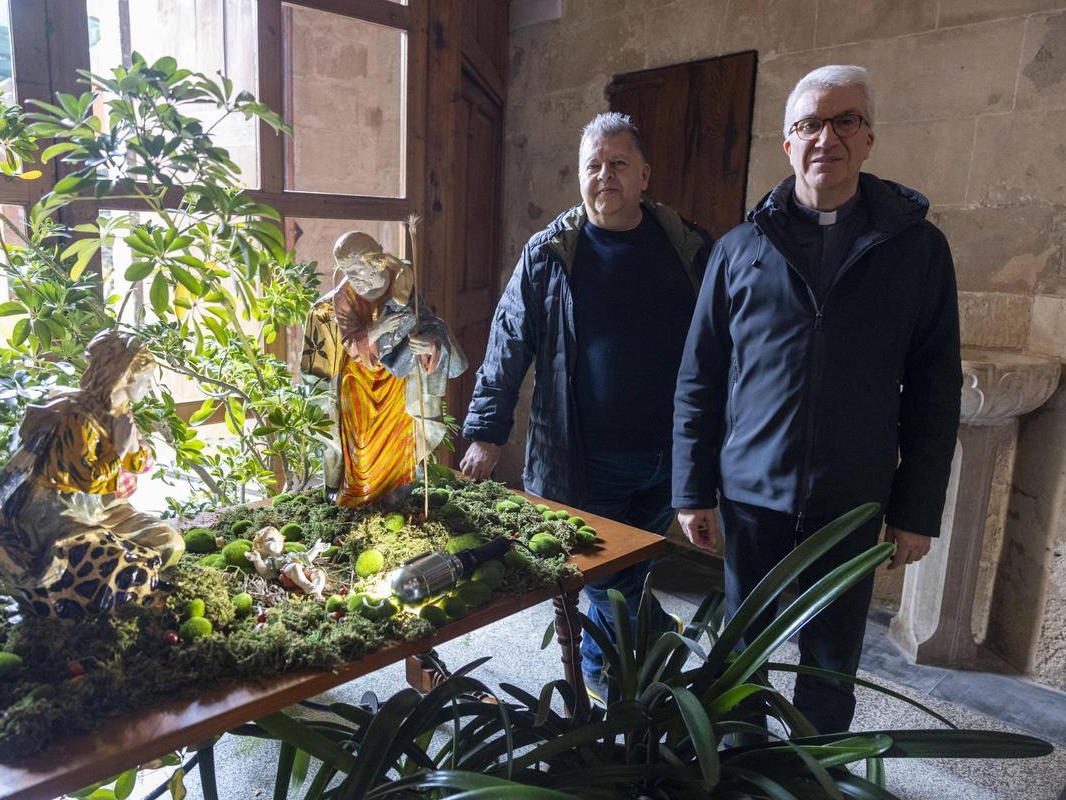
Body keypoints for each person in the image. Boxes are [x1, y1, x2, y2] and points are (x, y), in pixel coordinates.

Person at [672, 65, 962, 735]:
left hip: (850, 493)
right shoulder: (740, 249)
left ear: (867, 139)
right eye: (807, 124)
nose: (824, 137)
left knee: (831, 659)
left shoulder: (916, 251)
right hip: (751, 490)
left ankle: (811, 766)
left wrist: (915, 510)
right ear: (787, 145)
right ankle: (739, 764)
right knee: (743, 647)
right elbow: (700, 376)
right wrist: (692, 488)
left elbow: (933, 387)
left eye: (844, 121)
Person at [460, 112, 711, 700]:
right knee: (600, 574)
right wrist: (485, 432)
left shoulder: (690, 249)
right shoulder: (550, 254)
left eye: (618, 164)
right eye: (593, 166)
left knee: (635, 566)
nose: (605, 176)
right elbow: (507, 343)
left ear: (644, 174)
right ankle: (609, 679)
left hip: (669, 458)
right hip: (584, 457)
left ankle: (643, 640)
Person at [0, 330, 185, 620]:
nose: (149, 388)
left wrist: (132, 446)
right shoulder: (77, 417)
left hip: (102, 507)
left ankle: (128, 586)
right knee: (98, 557)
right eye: (146, 379)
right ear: (124, 375)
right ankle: (85, 602)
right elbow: (88, 479)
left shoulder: (120, 412)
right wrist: (120, 449)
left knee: (169, 542)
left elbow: (139, 465)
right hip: (56, 511)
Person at [301, 231, 466, 507]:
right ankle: (360, 496)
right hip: (359, 379)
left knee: (401, 437)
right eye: (346, 271)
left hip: (396, 379)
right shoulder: (344, 297)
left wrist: (429, 344)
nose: (353, 277)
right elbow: (351, 344)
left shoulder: (401, 277)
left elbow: (424, 319)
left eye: (357, 269)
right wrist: (376, 330)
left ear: (375, 261)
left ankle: (399, 492)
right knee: (362, 444)